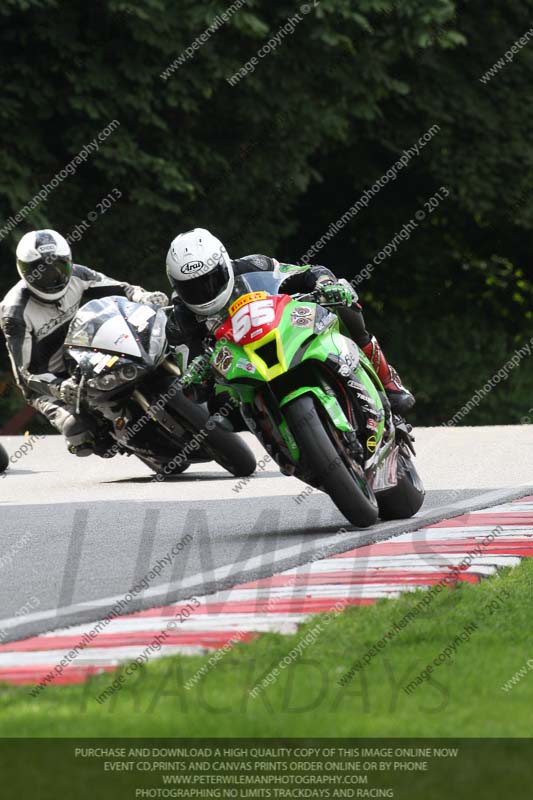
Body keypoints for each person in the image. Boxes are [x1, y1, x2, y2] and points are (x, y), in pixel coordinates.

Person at [165, 227, 414, 414]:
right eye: (192, 289)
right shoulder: (179, 320)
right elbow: (193, 389)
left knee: (344, 303)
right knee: (222, 414)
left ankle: (387, 380)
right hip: (243, 374)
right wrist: (195, 376)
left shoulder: (254, 265)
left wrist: (325, 285)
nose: (204, 292)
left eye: (210, 279)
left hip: (284, 332)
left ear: (224, 265)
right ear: (176, 286)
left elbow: (309, 273)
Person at [0, 229, 168, 456]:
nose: (54, 278)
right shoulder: (14, 312)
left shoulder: (77, 275)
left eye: (59, 267)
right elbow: (26, 372)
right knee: (79, 430)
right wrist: (58, 388)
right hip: (48, 381)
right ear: (25, 272)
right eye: (43, 273)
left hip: (85, 352)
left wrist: (142, 296)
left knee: (149, 351)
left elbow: (121, 288)